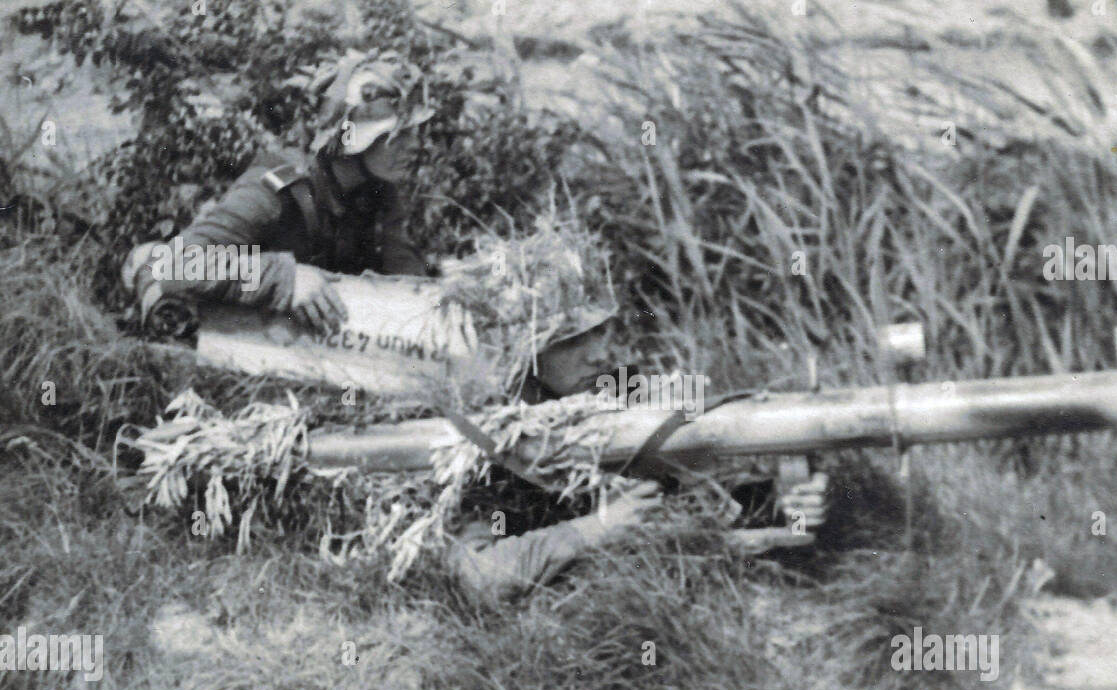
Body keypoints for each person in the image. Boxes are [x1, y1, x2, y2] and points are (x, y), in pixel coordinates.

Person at [431, 307, 832, 605]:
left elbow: (707, 500)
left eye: (600, 332)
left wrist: (786, 506)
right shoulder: (489, 442)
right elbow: (478, 577)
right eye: (570, 341)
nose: (598, 355)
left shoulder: (631, 397)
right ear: (521, 356)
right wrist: (596, 530)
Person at [122, 49, 436, 336]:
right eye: (401, 134)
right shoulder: (275, 189)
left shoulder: (380, 193)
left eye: (417, 133)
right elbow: (174, 265)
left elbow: (409, 282)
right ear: (357, 136)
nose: (417, 145)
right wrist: (285, 279)